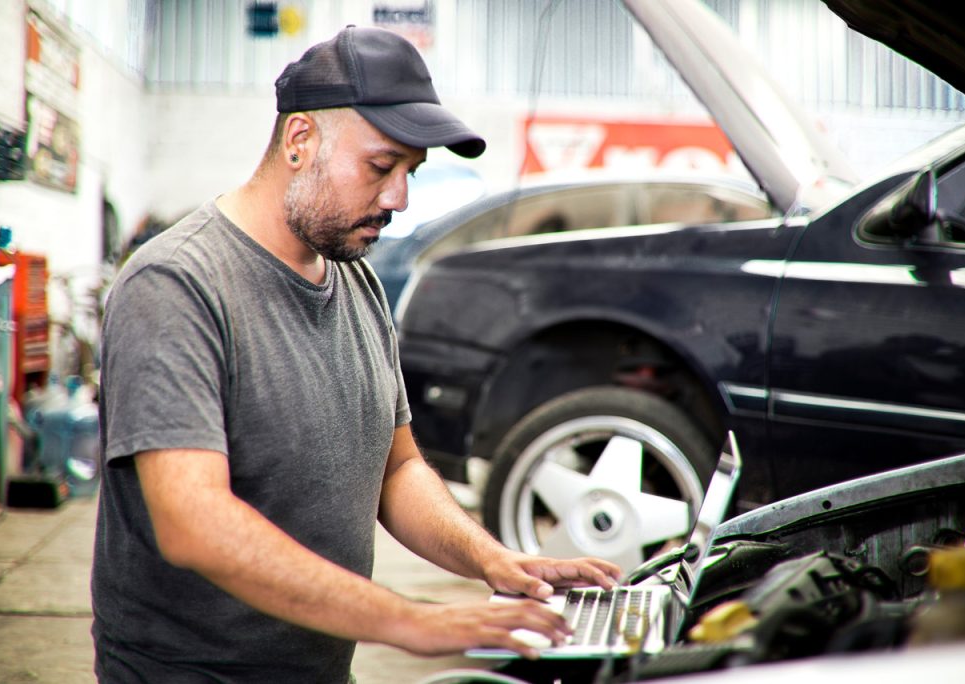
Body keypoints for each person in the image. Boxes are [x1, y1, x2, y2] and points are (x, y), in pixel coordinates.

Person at [90, 25, 621, 683]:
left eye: (410, 173)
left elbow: (396, 471)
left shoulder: (355, 280)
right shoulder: (176, 284)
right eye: (381, 167)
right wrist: (413, 621)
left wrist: (492, 561)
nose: (398, 198)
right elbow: (193, 523)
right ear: (300, 140)